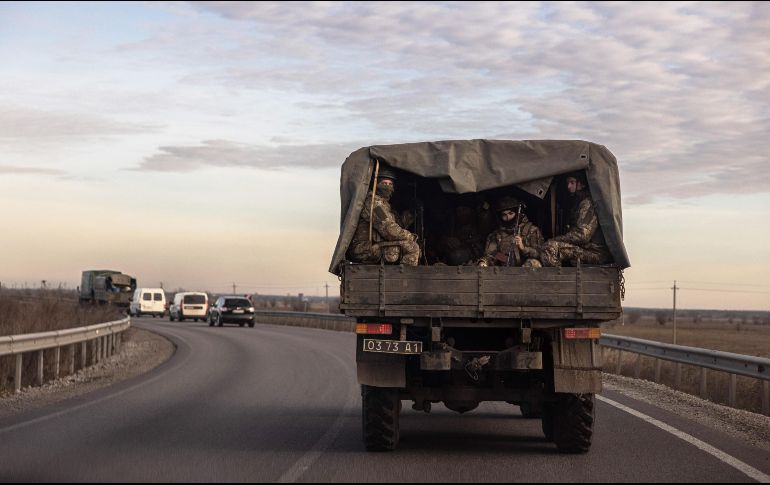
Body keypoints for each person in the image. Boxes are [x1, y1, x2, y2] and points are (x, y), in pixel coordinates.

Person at [347, 163, 421, 266]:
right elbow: (389, 229)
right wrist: (409, 236)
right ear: (376, 185)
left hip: (375, 246)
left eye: (390, 184)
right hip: (363, 249)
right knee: (411, 247)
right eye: (384, 183)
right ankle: (402, 279)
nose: (387, 187)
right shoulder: (373, 203)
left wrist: (411, 213)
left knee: (411, 246)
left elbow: (399, 224)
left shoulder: (385, 205)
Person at [540, 172, 611, 267]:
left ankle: (559, 280)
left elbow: (582, 235)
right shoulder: (579, 203)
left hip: (595, 253)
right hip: (586, 249)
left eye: (572, 182)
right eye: (568, 183)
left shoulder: (587, 204)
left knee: (549, 248)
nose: (569, 186)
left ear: (582, 184)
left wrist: (556, 239)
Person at [478, 195, 543, 268]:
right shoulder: (496, 235)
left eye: (511, 213)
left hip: (527, 273)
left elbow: (540, 254)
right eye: (504, 215)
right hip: (505, 271)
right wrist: (484, 262)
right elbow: (491, 254)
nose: (508, 218)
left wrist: (523, 248)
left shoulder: (531, 230)